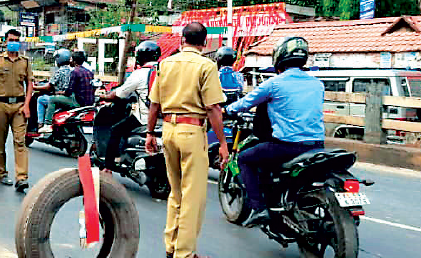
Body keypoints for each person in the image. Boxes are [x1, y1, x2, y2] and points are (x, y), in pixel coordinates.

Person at [146, 22, 228, 258]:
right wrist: (222, 143)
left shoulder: (165, 64)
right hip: (192, 133)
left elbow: (154, 104)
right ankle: (185, 253)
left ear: (182, 40)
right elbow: (213, 107)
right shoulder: (206, 66)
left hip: (168, 131)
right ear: (204, 43)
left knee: (176, 192)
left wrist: (150, 133)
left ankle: (171, 246)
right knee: (193, 196)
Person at [224, 36, 324, 228]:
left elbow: (245, 103)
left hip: (287, 147)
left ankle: (259, 208)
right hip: (317, 145)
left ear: (279, 58)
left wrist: (226, 110)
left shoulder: (274, 84)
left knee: (245, 158)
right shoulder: (317, 84)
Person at [0, 29, 33, 192]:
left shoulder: (24, 61)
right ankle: (2, 173)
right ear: (5, 41)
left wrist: (26, 105)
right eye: (11, 39)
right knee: (0, 141)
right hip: (0, 106)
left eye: (17, 40)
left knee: (20, 141)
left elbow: (30, 84)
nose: (14, 42)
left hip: (18, 106)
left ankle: (21, 178)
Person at [98, 40, 160, 170]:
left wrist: (103, 96)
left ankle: (108, 167)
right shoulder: (166, 70)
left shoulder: (139, 73)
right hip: (165, 118)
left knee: (115, 130)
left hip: (145, 118)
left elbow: (118, 94)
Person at [38, 50, 94, 134]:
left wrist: (60, 93)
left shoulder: (75, 72)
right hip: (89, 103)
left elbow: (69, 91)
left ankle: (47, 124)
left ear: (74, 61)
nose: (69, 61)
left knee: (52, 99)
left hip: (77, 102)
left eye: (71, 59)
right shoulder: (89, 72)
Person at [34, 48, 72, 129]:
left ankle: (40, 123)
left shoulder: (59, 71)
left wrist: (34, 87)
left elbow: (49, 87)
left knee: (40, 99)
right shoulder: (71, 70)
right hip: (67, 97)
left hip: (59, 98)